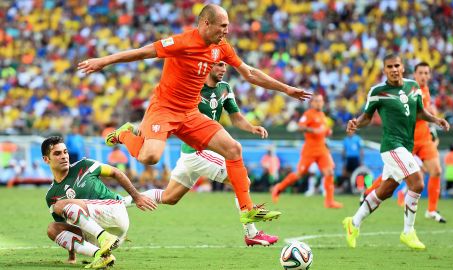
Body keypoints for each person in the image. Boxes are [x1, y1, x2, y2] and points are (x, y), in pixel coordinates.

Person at [78, 3, 311, 224]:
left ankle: (247, 210)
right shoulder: (182, 42)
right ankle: (126, 133)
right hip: (165, 109)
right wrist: (104, 61)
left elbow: (249, 73)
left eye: (228, 26)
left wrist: (286, 88)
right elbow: (143, 52)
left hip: (190, 112)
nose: (226, 31)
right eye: (222, 26)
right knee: (150, 157)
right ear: (206, 23)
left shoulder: (221, 48)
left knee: (233, 149)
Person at [123, 61, 278, 246]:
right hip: (197, 151)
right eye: (219, 65)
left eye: (224, 66)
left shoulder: (225, 88)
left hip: (193, 155)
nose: (223, 69)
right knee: (242, 180)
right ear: (207, 66)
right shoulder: (193, 88)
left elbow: (235, 117)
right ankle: (251, 234)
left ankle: (119, 202)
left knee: (169, 198)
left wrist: (251, 128)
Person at [342, 54, 450, 250]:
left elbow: (420, 112)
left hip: (405, 146)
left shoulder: (413, 87)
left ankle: (353, 222)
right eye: (389, 66)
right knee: (417, 183)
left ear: (403, 68)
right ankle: (408, 232)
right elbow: (367, 117)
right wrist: (356, 123)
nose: (393, 69)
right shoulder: (378, 92)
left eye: (396, 65)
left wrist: (436, 120)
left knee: (385, 190)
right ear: (384, 70)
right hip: (392, 146)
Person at [43, 136, 156, 268]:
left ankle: (104, 237)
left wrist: (136, 196)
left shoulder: (84, 165)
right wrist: (71, 256)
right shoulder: (51, 196)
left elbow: (116, 172)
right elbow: (66, 227)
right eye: (57, 153)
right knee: (52, 228)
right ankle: (100, 255)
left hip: (114, 214)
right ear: (46, 159)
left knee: (61, 205)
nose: (64, 156)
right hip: (100, 239)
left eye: (65, 152)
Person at [360, 62, 447, 223]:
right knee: (392, 175)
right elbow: (414, 113)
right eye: (421, 73)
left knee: (436, 170)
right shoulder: (408, 89)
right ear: (414, 74)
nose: (424, 76)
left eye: (427, 73)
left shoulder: (425, 91)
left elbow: (423, 112)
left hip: (424, 139)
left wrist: (433, 125)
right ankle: (368, 193)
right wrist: (431, 116)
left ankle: (431, 210)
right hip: (407, 139)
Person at [271, 94, 343, 209]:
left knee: (329, 172)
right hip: (310, 149)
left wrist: (327, 132)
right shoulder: (308, 114)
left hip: (322, 149)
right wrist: (312, 130)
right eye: (317, 101)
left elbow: (322, 130)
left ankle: (329, 201)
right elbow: (300, 127)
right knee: (299, 174)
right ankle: (278, 188)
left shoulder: (322, 115)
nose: (319, 103)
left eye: (321, 101)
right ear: (312, 103)